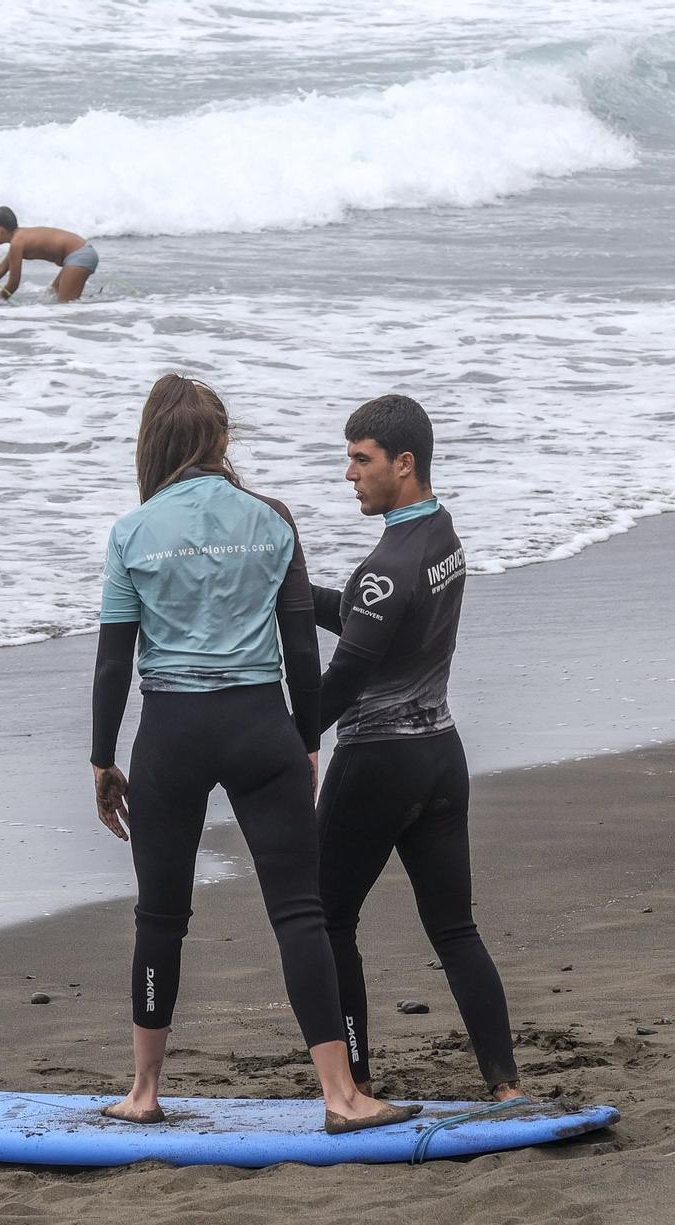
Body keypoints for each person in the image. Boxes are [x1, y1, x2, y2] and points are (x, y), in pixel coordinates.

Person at [90, 374, 420, 1135]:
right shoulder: (272, 522)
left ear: (153, 443)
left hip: (170, 732)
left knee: (159, 915)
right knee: (300, 913)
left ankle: (142, 1091)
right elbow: (301, 645)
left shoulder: (133, 531)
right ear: (222, 441)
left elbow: (113, 663)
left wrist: (103, 759)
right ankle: (340, 1095)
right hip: (259, 725)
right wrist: (306, 737)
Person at [311, 394, 523, 1102]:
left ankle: (358, 1078)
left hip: (376, 763)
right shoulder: (441, 532)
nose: (349, 474)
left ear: (404, 464)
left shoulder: (387, 564)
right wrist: (292, 593)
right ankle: (505, 1084)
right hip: (440, 755)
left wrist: (282, 736)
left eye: (361, 459)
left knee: (328, 918)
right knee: (454, 928)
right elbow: (372, 619)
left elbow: (347, 673)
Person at [0, 207, 98, 303]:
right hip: (81, 253)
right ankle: (97, 301)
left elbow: (13, 284)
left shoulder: (17, 242)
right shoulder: (19, 238)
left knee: (66, 306)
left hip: (79, 255)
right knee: (53, 293)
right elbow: (1, 269)